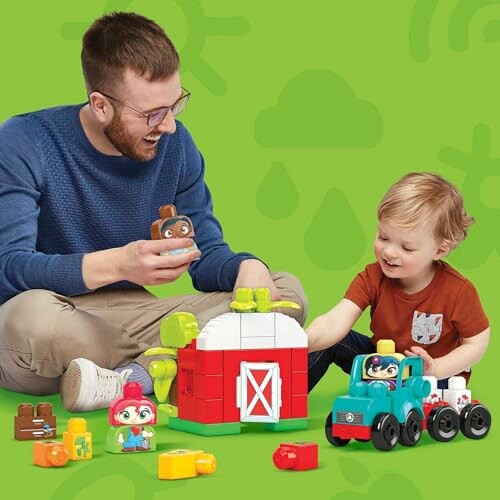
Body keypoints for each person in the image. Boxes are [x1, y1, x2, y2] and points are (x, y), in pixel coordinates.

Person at [0, 12, 307, 412]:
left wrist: (246, 268)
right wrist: (119, 264)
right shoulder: (25, 142)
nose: (169, 127)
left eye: (175, 105)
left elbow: (206, 252)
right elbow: (9, 268)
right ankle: (176, 363)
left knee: (285, 294)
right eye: (152, 114)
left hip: (138, 313)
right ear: (100, 105)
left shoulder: (176, 148)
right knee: (31, 321)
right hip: (58, 314)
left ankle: (130, 378)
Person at [307, 172, 489, 392]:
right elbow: (336, 319)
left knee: (418, 388)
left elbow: (476, 343)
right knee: (331, 340)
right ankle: (285, 399)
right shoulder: (372, 277)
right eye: (383, 237)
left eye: (407, 248)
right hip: (382, 364)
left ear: (439, 250)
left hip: (430, 378)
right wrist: (302, 341)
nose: (389, 252)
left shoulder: (458, 290)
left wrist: (436, 367)